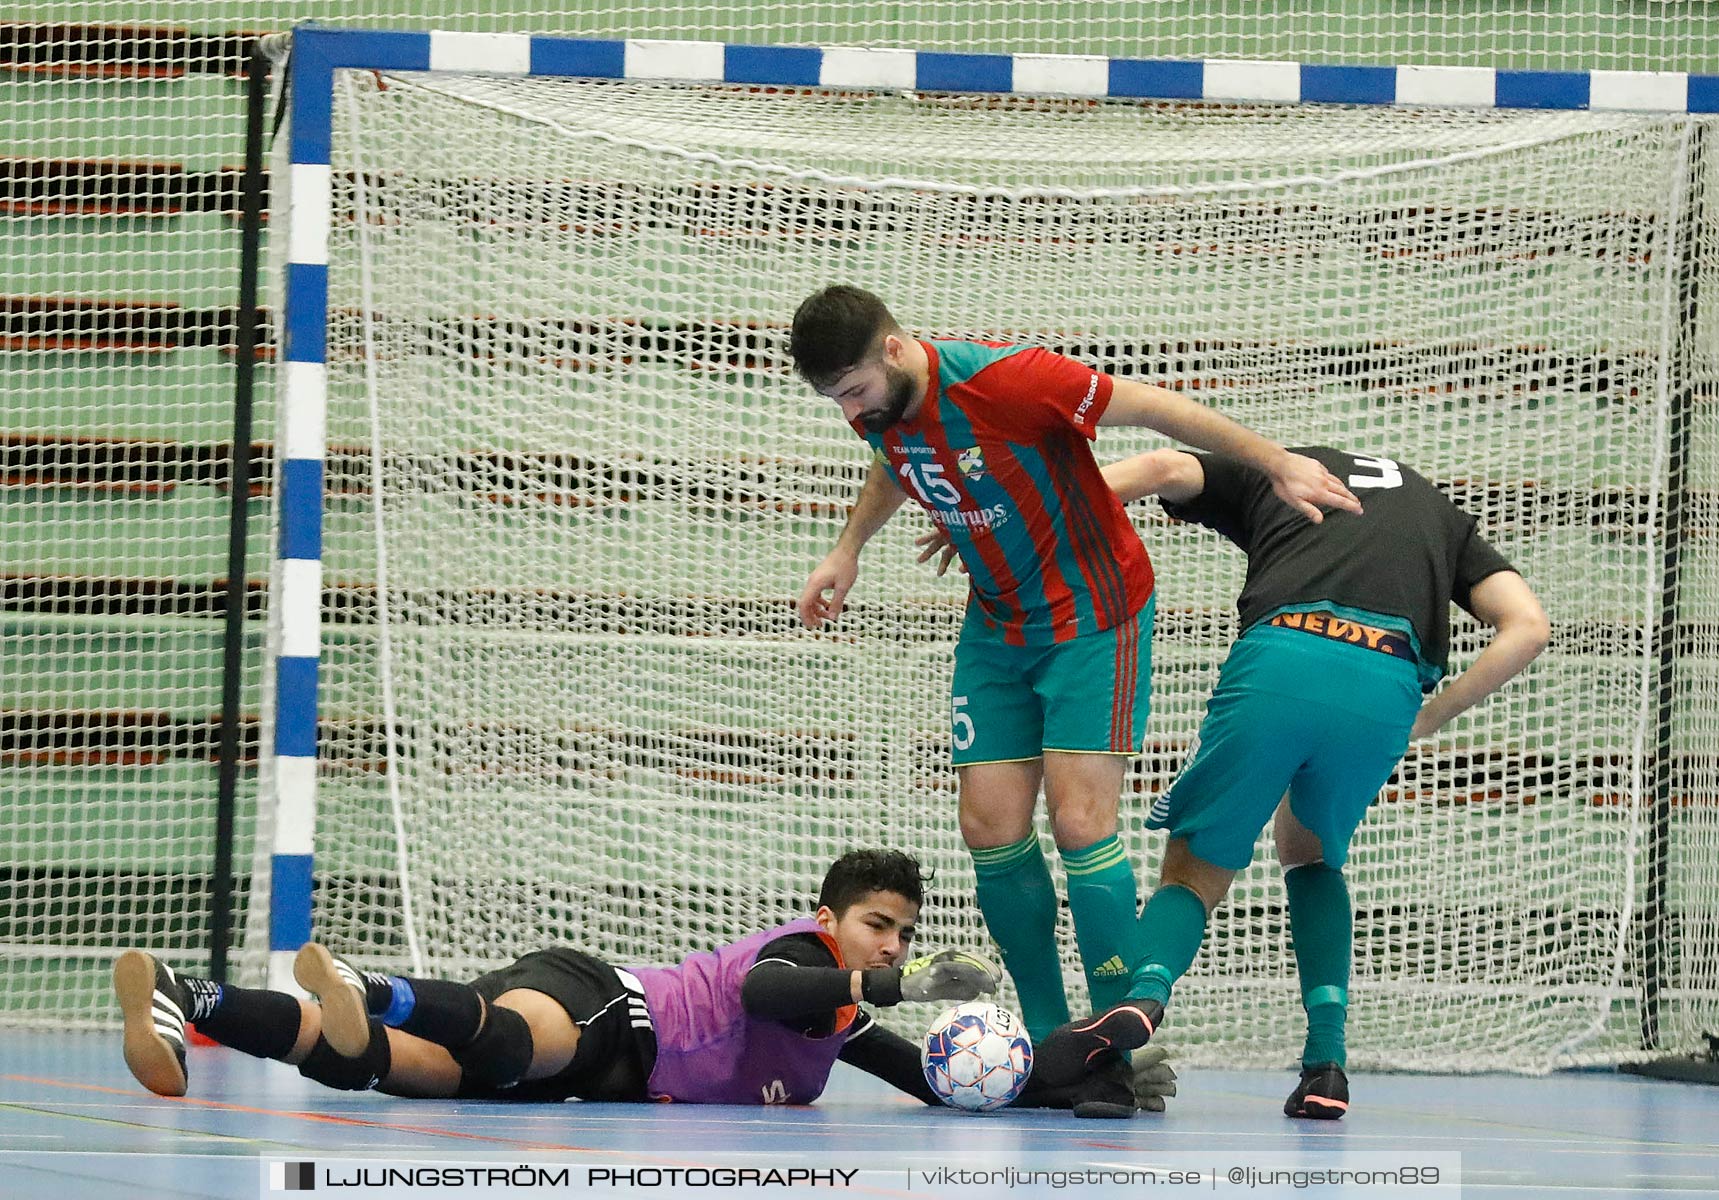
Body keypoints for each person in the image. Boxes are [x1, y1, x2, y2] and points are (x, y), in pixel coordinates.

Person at [788, 285, 1361, 1045]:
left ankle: (1110, 1038)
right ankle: (1050, 1039)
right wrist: (848, 548)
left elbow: (1160, 410)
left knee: (1079, 823)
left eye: (854, 391)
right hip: (996, 621)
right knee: (988, 826)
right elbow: (893, 462)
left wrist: (1277, 463)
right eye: (836, 400)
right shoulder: (880, 410)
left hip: (1093, 616)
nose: (851, 412)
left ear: (893, 349)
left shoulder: (1009, 380)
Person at [1017, 447, 1550, 1119]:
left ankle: (1141, 996)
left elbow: (1158, 468)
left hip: (1285, 653)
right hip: (1385, 682)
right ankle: (1325, 1064)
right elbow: (1527, 627)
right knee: (1309, 850)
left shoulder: (1267, 466)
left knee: (1194, 869)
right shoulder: (1438, 510)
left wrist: (1029, 523)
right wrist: (1428, 717)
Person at [114, 849, 1166, 1115]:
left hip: (601, 1076)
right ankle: (375, 980)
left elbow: (939, 1081)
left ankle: (187, 998)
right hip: (603, 1001)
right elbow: (768, 1002)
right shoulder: (801, 963)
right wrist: (903, 985)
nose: (890, 945)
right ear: (831, 917)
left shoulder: (841, 1012)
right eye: (876, 928)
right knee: (521, 1041)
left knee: (379, 1070)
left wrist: (1092, 1057)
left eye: (902, 936)